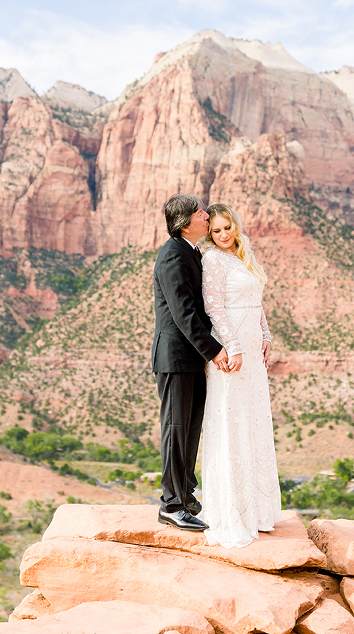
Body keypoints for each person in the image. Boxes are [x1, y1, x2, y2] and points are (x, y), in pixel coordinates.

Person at [199, 202, 282, 548]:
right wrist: (232, 346)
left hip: (252, 348)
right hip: (231, 352)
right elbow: (213, 306)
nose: (222, 235)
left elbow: (256, 303)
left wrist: (265, 336)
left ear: (235, 227)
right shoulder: (212, 260)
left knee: (253, 420)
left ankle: (257, 510)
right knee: (230, 422)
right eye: (215, 230)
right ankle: (232, 511)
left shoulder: (242, 257)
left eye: (226, 228)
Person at [151, 193, 229, 531]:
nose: (206, 215)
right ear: (184, 222)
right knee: (176, 430)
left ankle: (185, 494)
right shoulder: (172, 256)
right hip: (176, 359)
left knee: (190, 430)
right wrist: (215, 350)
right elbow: (183, 314)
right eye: (200, 212)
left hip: (192, 359)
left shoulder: (191, 253)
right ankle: (171, 505)